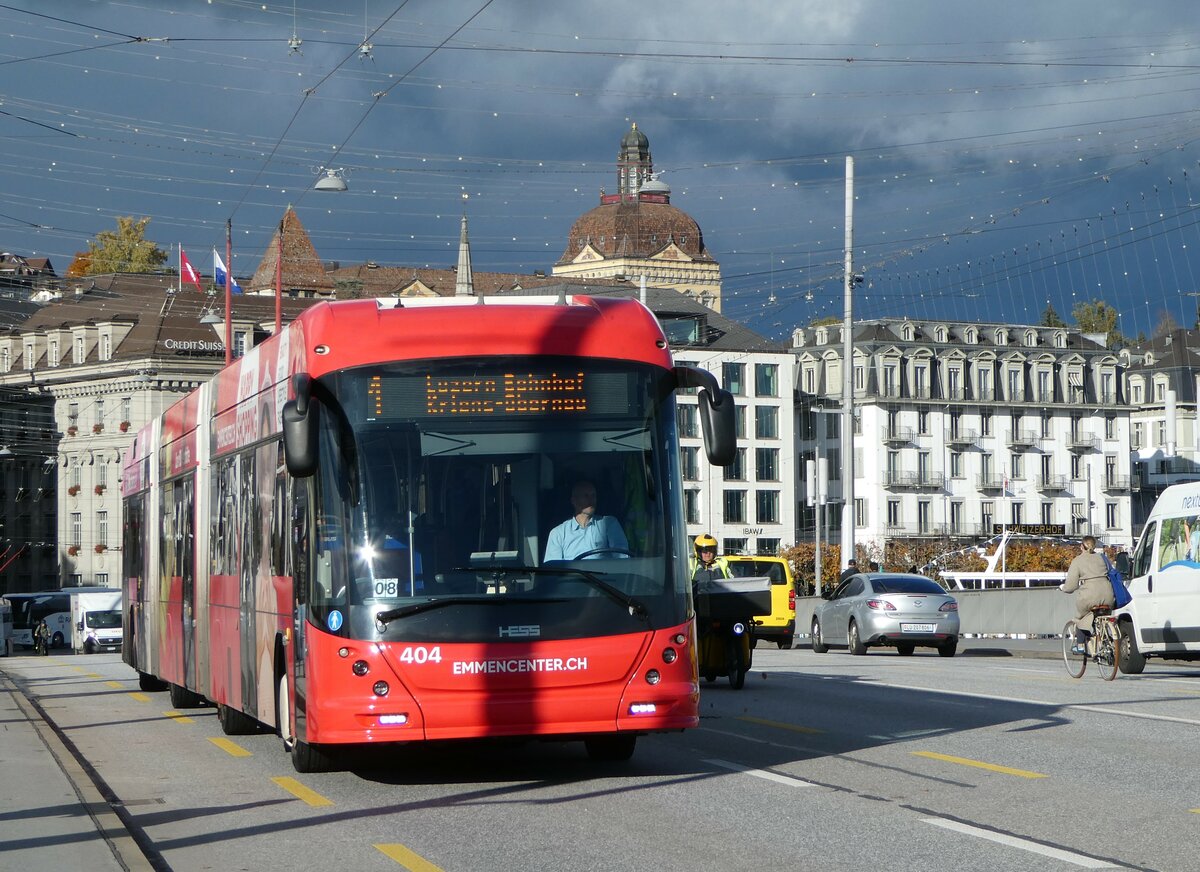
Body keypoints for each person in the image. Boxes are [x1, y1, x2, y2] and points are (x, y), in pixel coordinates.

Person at [544, 479, 629, 561]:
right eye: (586, 496)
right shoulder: (558, 533)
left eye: (593, 495)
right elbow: (553, 568)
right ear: (574, 500)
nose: (591, 499)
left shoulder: (609, 523)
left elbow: (622, 559)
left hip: (604, 575)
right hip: (573, 576)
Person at [1060, 535, 1115, 654]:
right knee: (1103, 616)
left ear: (1081, 546)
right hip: (1108, 594)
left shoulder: (1078, 560)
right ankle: (1106, 640)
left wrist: (1064, 589)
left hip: (1090, 595)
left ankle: (1080, 645)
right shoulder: (1102, 558)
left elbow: (1071, 586)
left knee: (1080, 618)